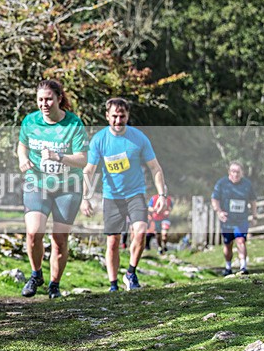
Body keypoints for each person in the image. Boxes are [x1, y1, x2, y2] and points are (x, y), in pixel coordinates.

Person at [81, 98, 168, 292]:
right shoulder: (99, 140)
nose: (118, 120)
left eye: (122, 116)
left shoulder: (139, 138)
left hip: (135, 194)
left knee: (140, 231)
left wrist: (162, 194)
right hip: (112, 196)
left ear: (128, 116)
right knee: (113, 242)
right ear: (107, 116)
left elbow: (155, 167)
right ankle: (113, 285)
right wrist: (85, 197)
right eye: (114, 116)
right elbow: (88, 170)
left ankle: (130, 273)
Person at [17, 79, 88, 299]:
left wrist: (59, 157)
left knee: (59, 239)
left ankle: (54, 285)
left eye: (48, 99)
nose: (44, 104)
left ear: (59, 98)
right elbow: (22, 145)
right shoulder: (30, 121)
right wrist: (22, 158)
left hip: (68, 188)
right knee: (33, 232)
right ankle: (36, 274)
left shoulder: (74, 125)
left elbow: (83, 160)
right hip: (37, 184)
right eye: (40, 99)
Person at [211, 161, 258, 275]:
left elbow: (253, 201)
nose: (235, 174)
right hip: (227, 220)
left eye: (238, 172)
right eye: (233, 171)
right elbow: (214, 199)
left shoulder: (247, 184)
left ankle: (243, 267)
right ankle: (228, 267)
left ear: (242, 172)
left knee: (241, 240)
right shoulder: (222, 183)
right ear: (229, 172)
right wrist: (219, 211)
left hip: (241, 219)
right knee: (228, 244)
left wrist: (254, 215)